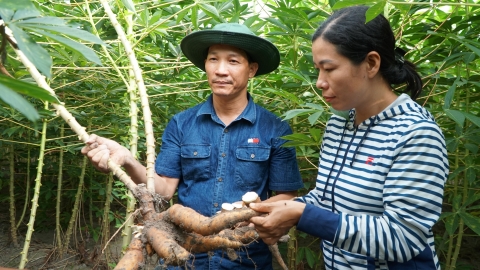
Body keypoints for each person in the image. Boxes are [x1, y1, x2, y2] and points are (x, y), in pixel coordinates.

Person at [81, 23, 304, 269]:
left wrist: (250, 219)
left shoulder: (276, 129)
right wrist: (128, 159)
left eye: (233, 61)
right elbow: (163, 190)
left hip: (245, 254)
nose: (220, 70)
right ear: (205, 66)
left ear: (251, 69)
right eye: (213, 60)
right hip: (183, 250)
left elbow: (286, 196)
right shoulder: (182, 124)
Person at [249, 5, 449, 270]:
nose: (320, 82)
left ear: (371, 63)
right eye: (317, 69)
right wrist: (284, 209)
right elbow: (326, 198)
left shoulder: (415, 133)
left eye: (329, 68)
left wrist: (302, 214)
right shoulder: (339, 122)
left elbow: (403, 238)